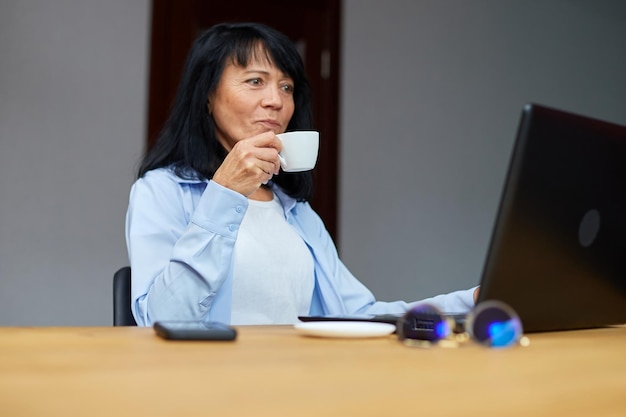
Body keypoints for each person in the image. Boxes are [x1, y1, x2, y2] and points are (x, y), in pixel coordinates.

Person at [125, 22, 478, 326]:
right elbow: (161, 319)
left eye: (286, 87)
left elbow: (359, 315)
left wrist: (473, 302)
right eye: (254, 81)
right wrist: (225, 193)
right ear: (206, 97)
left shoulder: (294, 210)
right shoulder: (160, 191)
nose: (276, 101)